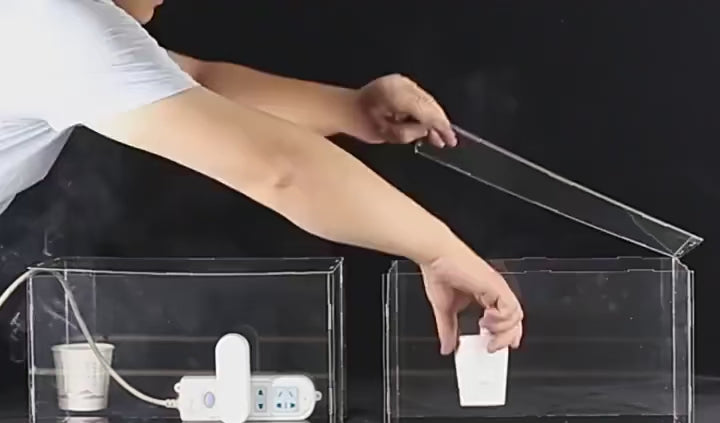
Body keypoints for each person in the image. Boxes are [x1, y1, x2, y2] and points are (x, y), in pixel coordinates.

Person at [0, 0, 523, 357]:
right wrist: (440, 250)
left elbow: (196, 83)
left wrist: (352, 111)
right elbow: (281, 170)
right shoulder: (57, 22)